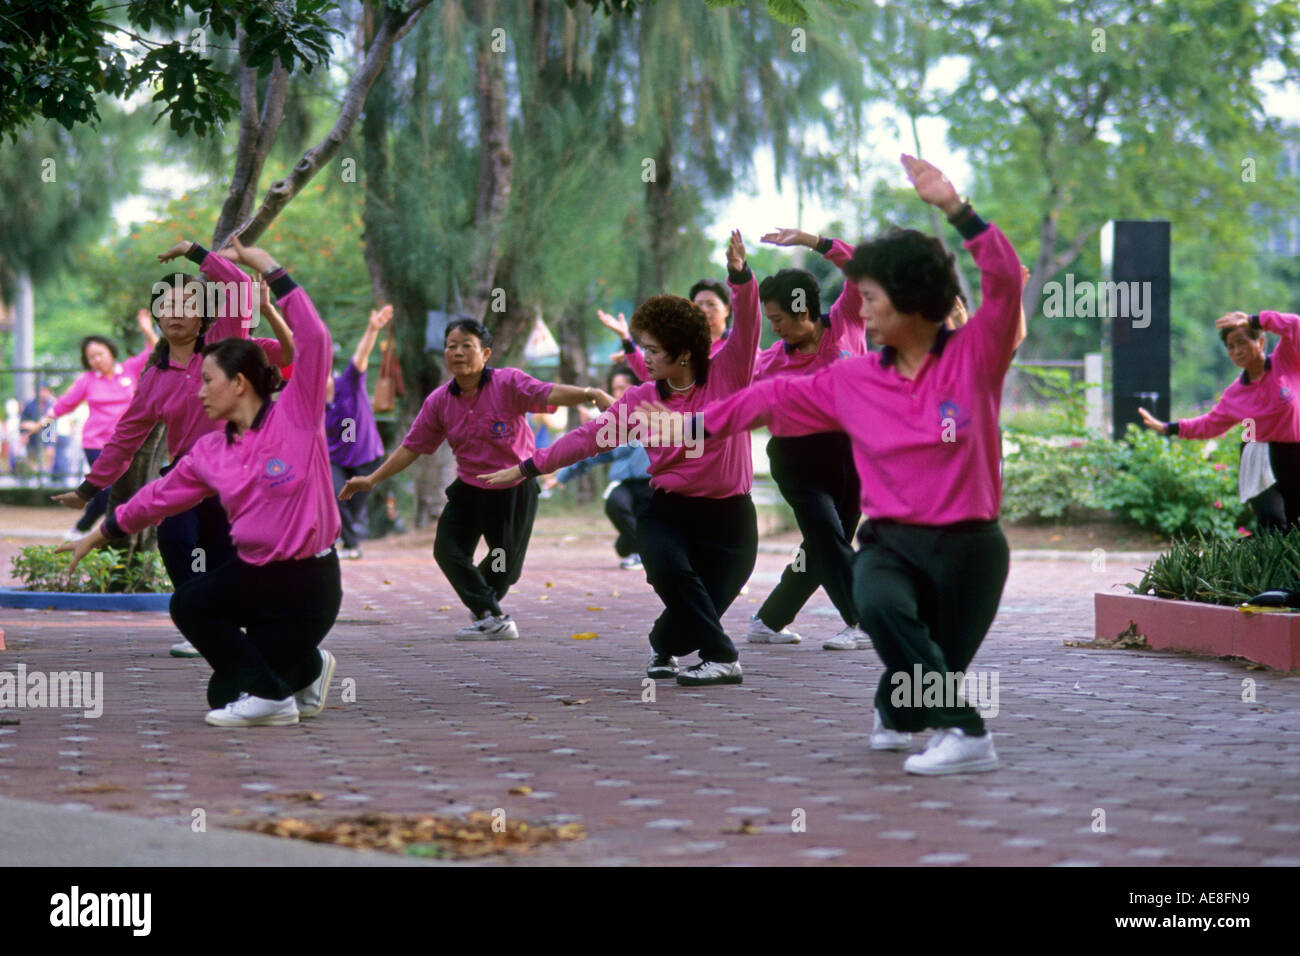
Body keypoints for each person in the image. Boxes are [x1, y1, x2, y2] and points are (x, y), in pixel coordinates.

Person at [642, 156, 1023, 770]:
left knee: (933, 659)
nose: (862, 311)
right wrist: (696, 423)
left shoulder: (975, 356)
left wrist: (957, 208)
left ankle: (896, 709)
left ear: (913, 300)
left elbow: (1004, 279)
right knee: (879, 604)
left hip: (973, 546)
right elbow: (770, 396)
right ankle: (969, 734)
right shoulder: (855, 377)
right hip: (892, 542)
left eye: (872, 298)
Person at [59, 237, 341, 728]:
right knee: (206, 640)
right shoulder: (208, 449)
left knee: (237, 670)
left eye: (209, 382)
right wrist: (96, 529)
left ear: (241, 381)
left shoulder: (298, 415)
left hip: (308, 581)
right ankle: (275, 689)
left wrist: (260, 264)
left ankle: (292, 675)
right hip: (255, 564)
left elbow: (313, 340)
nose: (200, 389)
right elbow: (155, 494)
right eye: (165, 306)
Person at [482, 231, 762, 687]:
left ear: (684, 353)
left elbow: (748, 324)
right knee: (672, 573)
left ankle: (663, 645)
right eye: (644, 348)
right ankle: (723, 658)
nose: (644, 358)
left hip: (731, 519)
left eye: (652, 350)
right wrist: (530, 465)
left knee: (689, 616)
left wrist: (740, 276)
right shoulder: (639, 400)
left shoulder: (730, 372)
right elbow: (590, 437)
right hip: (668, 510)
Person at [50, 239, 294, 658]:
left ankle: (232, 625)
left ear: (203, 316)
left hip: (241, 470)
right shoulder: (153, 379)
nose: (175, 313)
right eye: (166, 305)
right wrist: (88, 490)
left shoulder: (228, 343)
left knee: (223, 551)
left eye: (185, 305)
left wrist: (195, 252)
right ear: (157, 316)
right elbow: (126, 438)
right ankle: (204, 618)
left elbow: (236, 282)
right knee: (176, 539)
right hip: (188, 474)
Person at [338, 318, 615, 640]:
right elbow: (412, 447)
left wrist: (590, 393)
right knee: (448, 550)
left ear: (485, 353)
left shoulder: (508, 383)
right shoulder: (439, 401)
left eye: (466, 346)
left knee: (505, 569)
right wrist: (371, 479)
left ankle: (484, 605)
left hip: (513, 486)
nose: (457, 352)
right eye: (451, 346)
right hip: (470, 488)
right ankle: (492, 615)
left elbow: (546, 393)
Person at [743, 229, 871, 652]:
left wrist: (813, 241)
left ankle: (769, 620)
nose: (774, 328)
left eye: (778, 319)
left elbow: (857, 266)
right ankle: (864, 620)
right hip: (797, 458)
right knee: (828, 538)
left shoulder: (846, 323)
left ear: (803, 309)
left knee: (823, 545)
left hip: (852, 454)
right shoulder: (771, 361)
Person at [1139, 311, 1300, 530]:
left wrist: (1254, 320)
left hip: (1295, 454)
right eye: (1231, 347)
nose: (1237, 351)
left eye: (1242, 343)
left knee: (1296, 526)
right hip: (1258, 458)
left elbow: (1294, 325)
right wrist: (1168, 428)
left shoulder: (1287, 361)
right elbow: (1209, 424)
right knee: (1272, 525)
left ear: (1261, 342)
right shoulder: (1235, 393)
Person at [37, 311, 159, 538]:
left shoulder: (130, 369)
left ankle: (83, 530)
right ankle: (98, 532)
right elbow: (63, 405)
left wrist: (147, 330)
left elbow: (154, 350)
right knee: (106, 492)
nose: (96, 360)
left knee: (116, 492)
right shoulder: (87, 380)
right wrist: (42, 425)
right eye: (91, 357)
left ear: (110, 352)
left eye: (99, 354)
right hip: (95, 444)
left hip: (126, 443)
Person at [543, 364, 652, 569]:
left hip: (655, 484)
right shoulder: (614, 423)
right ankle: (638, 550)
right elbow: (590, 452)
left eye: (623, 388)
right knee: (615, 501)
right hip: (626, 485)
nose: (618, 393)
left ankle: (636, 547)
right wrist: (562, 476)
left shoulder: (653, 414)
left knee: (628, 541)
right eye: (615, 389)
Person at [325, 303, 394, 559]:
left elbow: (361, 355)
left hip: (367, 457)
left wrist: (372, 329)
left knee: (351, 511)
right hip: (337, 460)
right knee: (334, 496)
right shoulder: (314, 404)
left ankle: (347, 542)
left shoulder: (349, 382)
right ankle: (352, 547)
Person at [597, 278, 744, 382]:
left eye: (711, 304)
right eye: (699, 304)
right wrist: (626, 338)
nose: (704, 309)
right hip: (690, 421)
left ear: (727, 309)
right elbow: (648, 373)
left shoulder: (739, 345)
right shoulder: (685, 346)